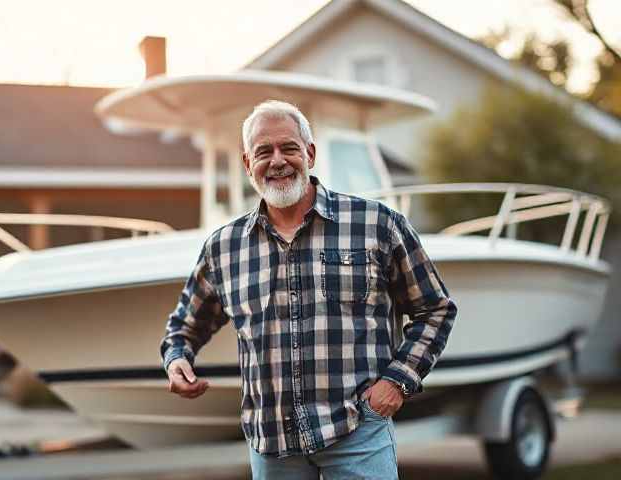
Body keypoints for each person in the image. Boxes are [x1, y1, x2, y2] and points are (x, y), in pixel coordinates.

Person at [160, 100, 457, 479]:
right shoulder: (224, 247)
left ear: (310, 154)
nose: (278, 160)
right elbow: (183, 326)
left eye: (289, 148)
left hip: (356, 430)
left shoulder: (376, 224)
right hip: (271, 444)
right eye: (263, 152)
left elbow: (435, 309)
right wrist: (177, 359)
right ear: (248, 164)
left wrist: (398, 380)